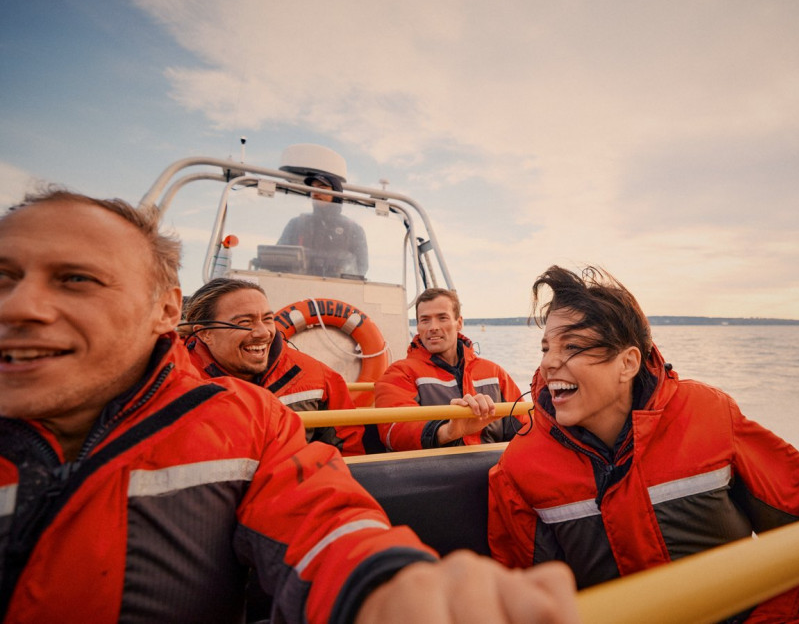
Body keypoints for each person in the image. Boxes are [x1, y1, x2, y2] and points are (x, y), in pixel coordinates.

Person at [0, 188, 579, 623]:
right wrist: (453, 433)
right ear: (190, 324)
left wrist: (384, 590)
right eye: (4, 278)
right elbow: (394, 435)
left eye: (74, 279)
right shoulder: (395, 375)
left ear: (163, 311)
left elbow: (325, 524)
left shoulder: (246, 420)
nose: (22, 306)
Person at [488, 265, 799, 623]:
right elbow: (532, 601)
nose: (549, 363)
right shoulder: (521, 468)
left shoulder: (706, 416)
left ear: (626, 362)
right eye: (546, 347)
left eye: (573, 347)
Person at [182, 277, 366, 455]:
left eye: (268, 319)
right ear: (205, 333)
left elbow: (349, 453)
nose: (263, 332)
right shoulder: (173, 380)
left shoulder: (317, 377)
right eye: (244, 322)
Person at [374, 288, 527, 452]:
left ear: (459, 323)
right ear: (418, 326)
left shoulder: (495, 373)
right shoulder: (400, 373)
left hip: (494, 467)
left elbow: (525, 424)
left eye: (442, 318)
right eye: (425, 320)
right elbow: (393, 431)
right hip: (435, 471)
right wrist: (447, 432)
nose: (433, 327)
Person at [278, 174, 368, 278]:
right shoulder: (296, 224)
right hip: (299, 285)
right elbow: (278, 257)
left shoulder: (353, 229)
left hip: (337, 289)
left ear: (336, 194)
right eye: (312, 189)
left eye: (322, 188)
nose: (315, 193)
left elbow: (361, 267)